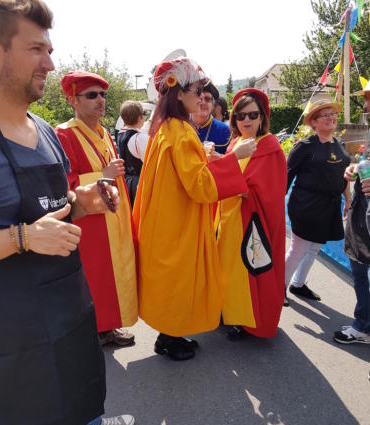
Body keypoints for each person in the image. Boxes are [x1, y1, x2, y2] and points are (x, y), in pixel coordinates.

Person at [0, 2, 133, 425]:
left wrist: (85, 200)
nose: (51, 65)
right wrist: (23, 238)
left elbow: (58, 202)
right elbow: (31, 226)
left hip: (63, 315)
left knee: (57, 417)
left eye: (50, 50)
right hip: (7, 338)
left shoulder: (47, 133)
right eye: (35, 49)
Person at [133, 57, 257, 361]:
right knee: (179, 281)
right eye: (195, 89)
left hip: (168, 218)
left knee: (171, 280)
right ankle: (168, 339)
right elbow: (200, 186)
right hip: (179, 222)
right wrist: (233, 156)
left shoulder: (166, 128)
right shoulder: (181, 131)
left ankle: (169, 334)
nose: (200, 95)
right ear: (178, 93)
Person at [56, 71, 138, 347]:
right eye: (92, 95)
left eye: (102, 94)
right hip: (89, 220)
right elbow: (64, 183)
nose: (100, 100)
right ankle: (97, 330)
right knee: (97, 276)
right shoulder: (65, 134)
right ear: (73, 101)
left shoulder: (105, 133)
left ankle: (108, 327)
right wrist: (101, 174)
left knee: (111, 275)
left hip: (112, 217)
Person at [217, 88, 287, 340]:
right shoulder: (235, 144)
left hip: (251, 223)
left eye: (252, 115)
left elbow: (272, 193)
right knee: (229, 270)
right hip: (230, 219)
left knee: (249, 272)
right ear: (234, 119)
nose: (246, 120)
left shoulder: (270, 148)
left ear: (261, 118)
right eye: (240, 115)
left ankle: (249, 322)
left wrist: (234, 183)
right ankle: (230, 313)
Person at [284, 99, 351, 306]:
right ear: (313, 122)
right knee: (299, 248)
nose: (331, 118)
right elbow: (285, 177)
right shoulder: (304, 146)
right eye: (325, 115)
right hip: (305, 205)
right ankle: (278, 289)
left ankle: (298, 283)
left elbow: (344, 176)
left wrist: (348, 199)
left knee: (315, 247)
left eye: (333, 114)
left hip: (329, 206)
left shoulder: (340, 145)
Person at [333, 165, 370, 344]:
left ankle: (363, 326)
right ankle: (363, 325)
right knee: (359, 275)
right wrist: (354, 167)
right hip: (360, 220)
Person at [117, 100, 149, 207]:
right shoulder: (140, 137)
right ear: (140, 118)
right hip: (139, 184)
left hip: (126, 183)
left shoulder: (121, 135)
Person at [191, 80, 231, 154]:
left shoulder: (224, 131)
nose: (203, 102)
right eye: (199, 98)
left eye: (207, 99)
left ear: (213, 104)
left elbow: (230, 163)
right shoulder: (180, 126)